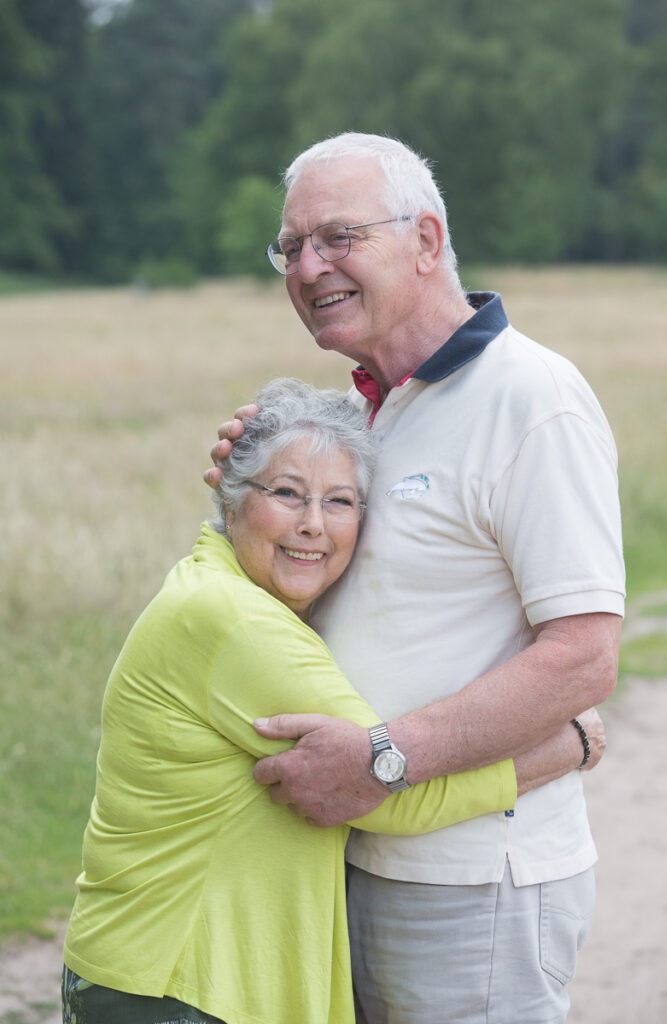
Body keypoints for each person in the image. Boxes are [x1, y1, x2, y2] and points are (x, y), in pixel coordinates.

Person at [206, 133, 625, 1024]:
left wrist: (384, 761)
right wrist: (258, 502)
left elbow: (584, 660)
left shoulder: (531, 397)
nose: (308, 264)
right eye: (291, 247)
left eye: (338, 237)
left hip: (472, 882)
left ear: (427, 241)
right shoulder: (356, 412)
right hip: (345, 861)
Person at [61, 378, 596, 1024]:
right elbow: (391, 790)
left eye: (338, 501)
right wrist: (571, 745)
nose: (312, 524)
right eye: (286, 494)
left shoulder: (223, 593)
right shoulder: (233, 622)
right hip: (175, 983)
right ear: (230, 501)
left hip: (163, 975)